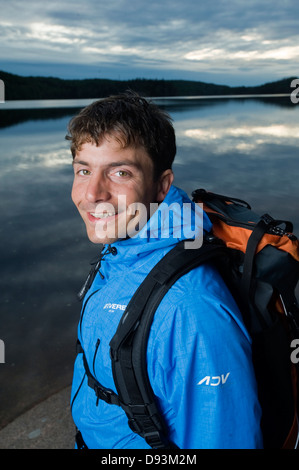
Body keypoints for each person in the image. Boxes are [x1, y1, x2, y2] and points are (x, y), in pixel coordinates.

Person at [66, 91, 263, 449]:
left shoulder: (190, 309)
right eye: (83, 170)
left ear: (162, 185)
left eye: (120, 172)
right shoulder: (120, 251)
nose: (92, 193)